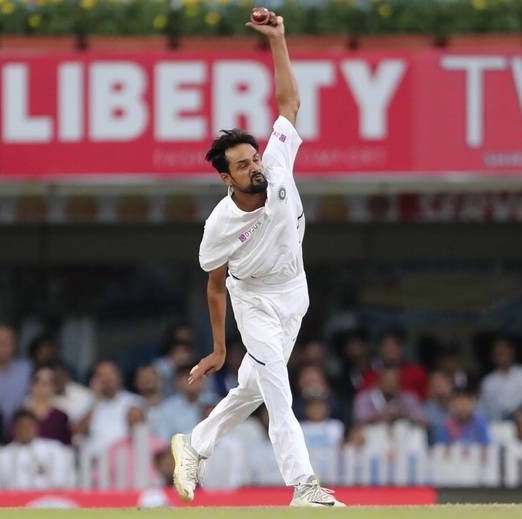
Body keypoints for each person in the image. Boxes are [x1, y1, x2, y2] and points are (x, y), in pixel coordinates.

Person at [170, 10, 344, 507]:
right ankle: (304, 486)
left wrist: (279, 39)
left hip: (295, 292)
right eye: (243, 165)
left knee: (251, 388)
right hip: (255, 302)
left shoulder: (278, 164)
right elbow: (214, 283)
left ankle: (194, 446)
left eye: (254, 158)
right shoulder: (219, 227)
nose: (255, 167)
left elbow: (290, 100)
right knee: (276, 388)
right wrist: (221, 348)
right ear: (227, 178)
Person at [0, 324, 32, 429]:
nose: (2, 347)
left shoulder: (27, 369)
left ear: (14, 345)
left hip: (21, 429)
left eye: (6, 342)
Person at [479, 338, 522, 420]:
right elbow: (484, 409)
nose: (502, 354)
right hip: (499, 425)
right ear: (493, 356)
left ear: (512, 352)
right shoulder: (487, 381)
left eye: (505, 351)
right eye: (498, 352)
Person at [353, 365, 426, 426]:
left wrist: (403, 415)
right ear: (379, 381)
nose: (391, 384)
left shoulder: (409, 398)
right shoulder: (364, 397)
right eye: (388, 380)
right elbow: (360, 423)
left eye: (394, 381)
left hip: (402, 437)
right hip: (374, 436)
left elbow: (424, 422)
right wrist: (384, 416)